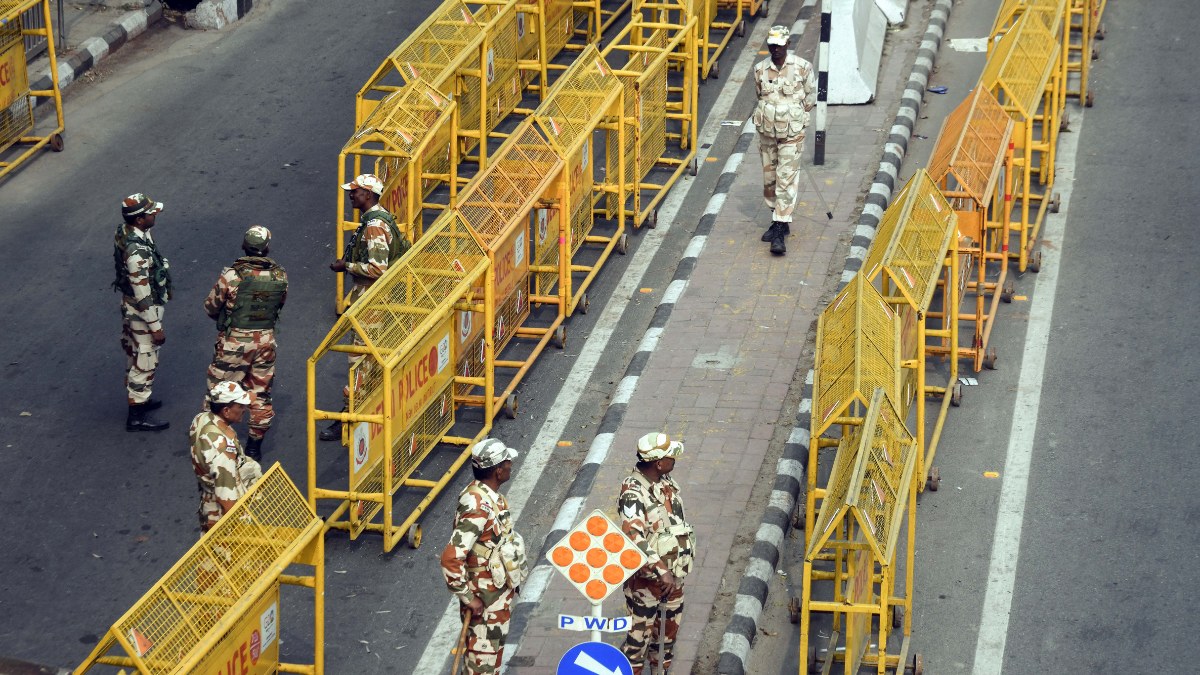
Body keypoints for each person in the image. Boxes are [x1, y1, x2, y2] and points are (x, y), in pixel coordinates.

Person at [320, 173, 411, 441]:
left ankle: (351, 416)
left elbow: (377, 268)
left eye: (356, 192)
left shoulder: (373, 225)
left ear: (368, 195)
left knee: (359, 356)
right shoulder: (380, 217)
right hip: (383, 297)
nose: (351, 195)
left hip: (372, 298)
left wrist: (345, 266)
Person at [440, 438, 527, 675]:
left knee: (491, 661)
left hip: (496, 597)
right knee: (481, 666)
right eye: (508, 463)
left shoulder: (489, 495)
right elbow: (451, 558)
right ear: (499, 470)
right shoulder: (477, 506)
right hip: (485, 601)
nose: (511, 465)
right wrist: (469, 598)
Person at [203, 225, 288, 462]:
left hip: (234, 344)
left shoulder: (232, 276)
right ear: (266, 248)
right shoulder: (280, 275)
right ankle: (253, 446)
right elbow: (279, 305)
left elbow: (210, 307)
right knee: (260, 393)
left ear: (244, 246)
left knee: (218, 391)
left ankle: (214, 442)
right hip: (265, 343)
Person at [620, 432, 696, 675]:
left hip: (673, 579)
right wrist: (661, 570)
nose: (675, 459)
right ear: (659, 463)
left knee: (666, 639)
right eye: (670, 456)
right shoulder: (632, 492)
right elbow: (634, 536)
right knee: (637, 645)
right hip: (646, 585)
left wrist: (671, 573)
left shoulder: (666, 482)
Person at [752, 25, 817, 256]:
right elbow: (760, 96)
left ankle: (779, 228)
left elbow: (810, 97)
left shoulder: (802, 68)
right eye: (772, 45)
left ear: (788, 44)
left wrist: (794, 116)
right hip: (768, 134)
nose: (775, 49)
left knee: (786, 179)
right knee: (770, 180)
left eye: (779, 45)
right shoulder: (760, 69)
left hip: (792, 134)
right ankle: (778, 217)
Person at [113, 193, 172, 432]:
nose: (155, 214)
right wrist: (156, 327)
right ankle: (136, 416)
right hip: (141, 312)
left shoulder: (128, 231)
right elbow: (143, 294)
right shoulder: (136, 252)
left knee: (135, 353)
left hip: (130, 308)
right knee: (145, 360)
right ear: (139, 220)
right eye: (150, 213)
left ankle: (141, 400)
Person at [190, 382, 263, 533]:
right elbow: (227, 498)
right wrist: (240, 528)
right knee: (233, 554)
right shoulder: (222, 449)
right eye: (240, 406)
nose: (245, 409)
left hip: (208, 501)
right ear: (226, 411)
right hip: (221, 514)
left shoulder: (201, 418)